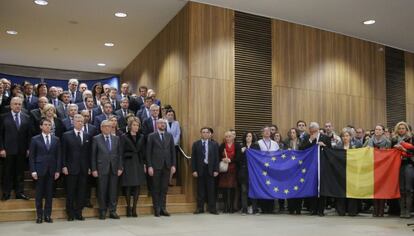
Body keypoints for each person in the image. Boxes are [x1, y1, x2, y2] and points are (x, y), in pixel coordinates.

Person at [29, 118, 61, 223]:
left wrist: (57, 170)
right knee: (39, 195)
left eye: (49, 125)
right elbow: (32, 157)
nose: (48, 126)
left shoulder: (56, 139)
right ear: (41, 126)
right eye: (46, 125)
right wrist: (33, 170)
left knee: (49, 194)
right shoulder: (35, 139)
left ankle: (47, 215)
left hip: (51, 170)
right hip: (39, 170)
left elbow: (58, 156)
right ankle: (39, 216)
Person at [0, 97, 32, 201]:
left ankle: (20, 193)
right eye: (15, 104)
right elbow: (0, 135)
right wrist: (1, 148)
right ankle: (6, 193)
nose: (18, 106)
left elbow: (29, 135)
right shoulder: (3, 117)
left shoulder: (26, 117)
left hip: (22, 150)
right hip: (8, 150)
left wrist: (28, 148)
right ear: (11, 105)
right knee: (7, 172)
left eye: (19, 104)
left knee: (20, 173)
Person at [91, 120, 123, 220]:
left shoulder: (116, 138)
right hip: (101, 168)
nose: (108, 128)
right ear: (101, 128)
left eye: (109, 126)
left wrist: (120, 167)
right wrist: (94, 169)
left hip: (114, 168)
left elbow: (119, 154)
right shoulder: (96, 139)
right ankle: (102, 210)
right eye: (105, 126)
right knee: (102, 190)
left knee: (113, 191)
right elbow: (93, 155)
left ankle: (113, 210)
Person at [61, 114, 91, 221]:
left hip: (83, 168)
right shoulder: (66, 135)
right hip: (71, 168)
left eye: (81, 121)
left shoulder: (87, 135)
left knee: (81, 192)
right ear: (73, 122)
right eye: (77, 121)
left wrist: (89, 167)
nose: (80, 123)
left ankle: (79, 212)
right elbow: (63, 152)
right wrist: (64, 166)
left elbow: (89, 153)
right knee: (70, 192)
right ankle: (70, 213)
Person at [146, 119, 176, 217]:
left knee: (164, 188)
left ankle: (163, 208)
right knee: (155, 188)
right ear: (157, 124)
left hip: (167, 166)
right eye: (161, 123)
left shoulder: (169, 136)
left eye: (164, 123)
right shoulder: (151, 136)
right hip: (155, 166)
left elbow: (173, 152)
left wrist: (173, 165)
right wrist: (149, 166)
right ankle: (157, 209)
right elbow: (148, 153)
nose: (162, 125)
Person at [300, 122, 331, 216]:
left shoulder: (325, 138)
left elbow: (330, 152)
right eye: (310, 131)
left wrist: (324, 146)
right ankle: (312, 209)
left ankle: (321, 210)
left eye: (313, 131)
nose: (312, 132)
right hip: (311, 167)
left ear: (317, 130)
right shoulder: (307, 138)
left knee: (322, 189)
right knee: (312, 187)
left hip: (322, 167)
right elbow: (301, 149)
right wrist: (310, 140)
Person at [120, 117, 146, 217]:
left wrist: (144, 163)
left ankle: (134, 208)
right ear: (130, 126)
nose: (136, 127)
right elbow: (121, 152)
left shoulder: (142, 136)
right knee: (128, 185)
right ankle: (128, 207)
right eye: (134, 125)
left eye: (137, 125)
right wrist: (121, 165)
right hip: (128, 163)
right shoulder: (124, 136)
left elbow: (143, 151)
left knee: (137, 185)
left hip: (138, 162)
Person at [192, 127, 220, 215]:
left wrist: (216, 170)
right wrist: (194, 170)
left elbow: (216, 158)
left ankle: (212, 208)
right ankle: (200, 208)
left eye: (207, 132)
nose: (205, 134)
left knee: (211, 190)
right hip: (200, 170)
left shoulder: (214, 144)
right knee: (200, 190)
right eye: (203, 132)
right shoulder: (196, 144)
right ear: (201, 133)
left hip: (210, 169)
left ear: (209, 134)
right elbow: (193, 159)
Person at [335, 130, 362, 216]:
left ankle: (352, 211)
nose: (345, 137)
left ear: (350, 137)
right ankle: (341, 210)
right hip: (341, 171)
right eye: (343, 136)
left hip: (353, 171)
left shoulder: (356, 145)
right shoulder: (337, 147)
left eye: (347, 136)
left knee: (352, 191)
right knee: (340, 191)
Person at [391, 121, 413, 218]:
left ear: (406, 129)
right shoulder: (394, 139)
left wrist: (403, 149)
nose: (401, 130)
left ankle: (408, 211)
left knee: (408, 189)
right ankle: (402, 211)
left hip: (409, 164)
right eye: (399, 128)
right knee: (401, 189)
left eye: (403, 128)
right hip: (397, 165)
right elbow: (390, 153)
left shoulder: (411, 138)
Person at [218, 131, 240, 213]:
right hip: (224, 170)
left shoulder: (237, 145)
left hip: (233, 170)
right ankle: (225, 207)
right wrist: (222, 159)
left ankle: (231, 207)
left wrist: (230, 160)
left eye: (229, 136)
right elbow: (218, 156)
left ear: (233, 137)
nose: (228, 138)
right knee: (224, 189)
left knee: (232, 189)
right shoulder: (222, 145)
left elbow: (238, 158)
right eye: (226, 136)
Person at [238, 131, 259, 215]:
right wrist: (241, 152)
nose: (248, 138)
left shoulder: (256, 146)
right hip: (243, 172)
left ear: (252, 138)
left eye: (250, 136)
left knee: (254, 191)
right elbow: (237, 160)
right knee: (244, 191)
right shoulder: (241, 146)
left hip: (253, 172)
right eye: (247, 136)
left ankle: (255, 209)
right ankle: (244, 210)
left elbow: (259, 158)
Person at [285, 128, 303, 215]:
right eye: (291, 132)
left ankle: (298, 208)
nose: (292, 134)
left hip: (299, 168)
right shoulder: (286, 142)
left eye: (293, 132)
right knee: (290, 188)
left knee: (298, 188)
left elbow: (305, 152)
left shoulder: (302, 142)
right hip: (289, 168)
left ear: (297, 133)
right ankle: (291, 208)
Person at [165, 109, 181, 185]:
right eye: (169, 115)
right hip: (164, 146)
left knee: (172, 164)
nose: (170, 116)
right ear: (166, 115)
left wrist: (173, 143)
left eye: (172, 115)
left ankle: (169, 180)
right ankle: (165, 180)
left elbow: (178, 134)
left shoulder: (176, 123)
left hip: (174, 146)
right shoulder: (163, 122)